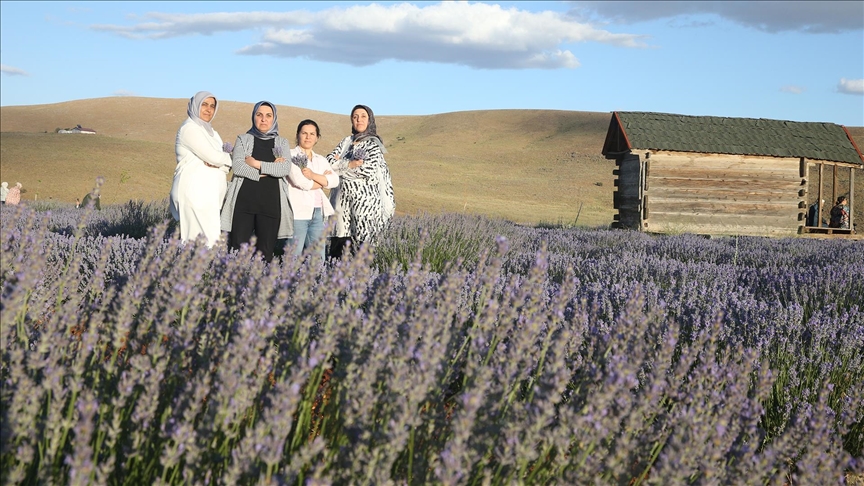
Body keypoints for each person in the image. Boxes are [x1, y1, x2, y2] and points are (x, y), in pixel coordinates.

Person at [221, 101, 313, 263]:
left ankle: (261, 287)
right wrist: (268, 172)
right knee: (237, 251)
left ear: (274, 118)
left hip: (271, 204)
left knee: (265, 254)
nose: (264, 119)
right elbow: (238, 167)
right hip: (243, 204)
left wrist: (256, 164)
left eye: (268, 116)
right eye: (259, 115)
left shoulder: (282, 142)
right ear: (254, 117)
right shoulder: (243, 139)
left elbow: (284, 169)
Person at [325, 104, 395, 258]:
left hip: (365, 211)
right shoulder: (346, 142)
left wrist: (340, 166)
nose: (359, 120)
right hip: (341, 210)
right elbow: (328, 163)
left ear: (369, 119)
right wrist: (350, 164)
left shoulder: (374, 145)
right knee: (338, 257)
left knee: (362, 258)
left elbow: (366, 170)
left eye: (363, 116)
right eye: (355, 116)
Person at [169, 91, 232, 247]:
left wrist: (222, 164)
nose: (208, 109)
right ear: (195, 105)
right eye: (204, 104)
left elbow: (220, 162)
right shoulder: (189, 128)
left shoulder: (212, 133)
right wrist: (227, 160)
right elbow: (214, 157)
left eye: (212, 106)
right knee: (198, 245)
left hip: (209, 198)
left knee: (211, 244)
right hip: (195, 195)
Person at [286, 119, 339, 261]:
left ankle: (315, 283)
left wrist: (313, 176)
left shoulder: (320, 159)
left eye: (312, 134)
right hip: (298, 212)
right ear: (298, 135)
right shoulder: (290, 155)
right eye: (304, 133)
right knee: (293, 256)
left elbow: (334, 181)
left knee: (318, 258)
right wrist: (322, 181)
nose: (308, 137)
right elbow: (301, 182)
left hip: (317, 213)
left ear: (317, 138)